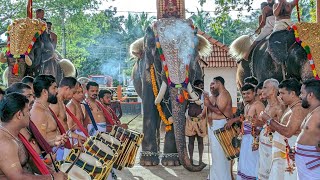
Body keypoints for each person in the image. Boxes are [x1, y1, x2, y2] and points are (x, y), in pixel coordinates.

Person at [0, 93, 67, 179]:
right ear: (19, 115)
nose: (30, 114)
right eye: (28, 111)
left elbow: (31, 162)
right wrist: (51, 178)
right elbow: (18, 177)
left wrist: (54, 173)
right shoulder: (5, 142)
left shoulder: (16, 134)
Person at [259, 78, 308, 179]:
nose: (280, 96)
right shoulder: (290, 107)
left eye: (282, 93)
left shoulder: (298, 109)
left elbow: (288, 132)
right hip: (283, 153)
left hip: (289, 155)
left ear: (293, 94)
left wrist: (269, 120)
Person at [226, 84, 265, 179]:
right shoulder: (247, 105)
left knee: (253, 163)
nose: (245, 96)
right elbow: (244, 120)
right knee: (244, 162)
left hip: (254, 139)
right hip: (245, 138)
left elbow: (264, 123)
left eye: (248, 93)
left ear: (254, 93)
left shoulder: (258, 105)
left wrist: (257, 139)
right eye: (243, 94)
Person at [31, 75, 71, 161]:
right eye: (54, 88)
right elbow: (42, 142)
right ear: (45, 92)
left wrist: (59, 138)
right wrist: (56, 140)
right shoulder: (38, 112)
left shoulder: (46, 108)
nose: (57, 91)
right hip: (53, 157)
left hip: (59, 151)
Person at [202, 76, 233, 180]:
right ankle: (214, 177)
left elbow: (219, 111)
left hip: (221, 125)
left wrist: (208, 104)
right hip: (214, 126)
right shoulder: (215, 96)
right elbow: (204, 113)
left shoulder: (224, 94)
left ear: (219, 83)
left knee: (221, 154)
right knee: (215, 154)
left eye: (213, 84)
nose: (211, 86)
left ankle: (222, 177)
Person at [256, 78, 285, 180]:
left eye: (264, 88)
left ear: (273, 90)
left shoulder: (279, 107)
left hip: (273, 146)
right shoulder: (268, 104)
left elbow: (282, 128)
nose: (262, 90)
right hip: (264, 145)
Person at [294, 79, 320, 179]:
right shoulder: (312, 111)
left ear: (310, 95)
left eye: (302, 93)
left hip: (313, 165)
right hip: (305, 163)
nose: (300, 96)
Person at [185, 80, 206, 165]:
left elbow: (205, 107)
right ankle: (191, 159)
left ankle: (201, 160)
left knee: (200, 141)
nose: (202, 87)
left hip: (201, 121)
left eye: (202, 85)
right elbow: (185, 105)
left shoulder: (203, 96)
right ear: (195, 86)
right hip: (191, 120)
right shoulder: (189, 95)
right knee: (191, 141)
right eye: (200, 85)